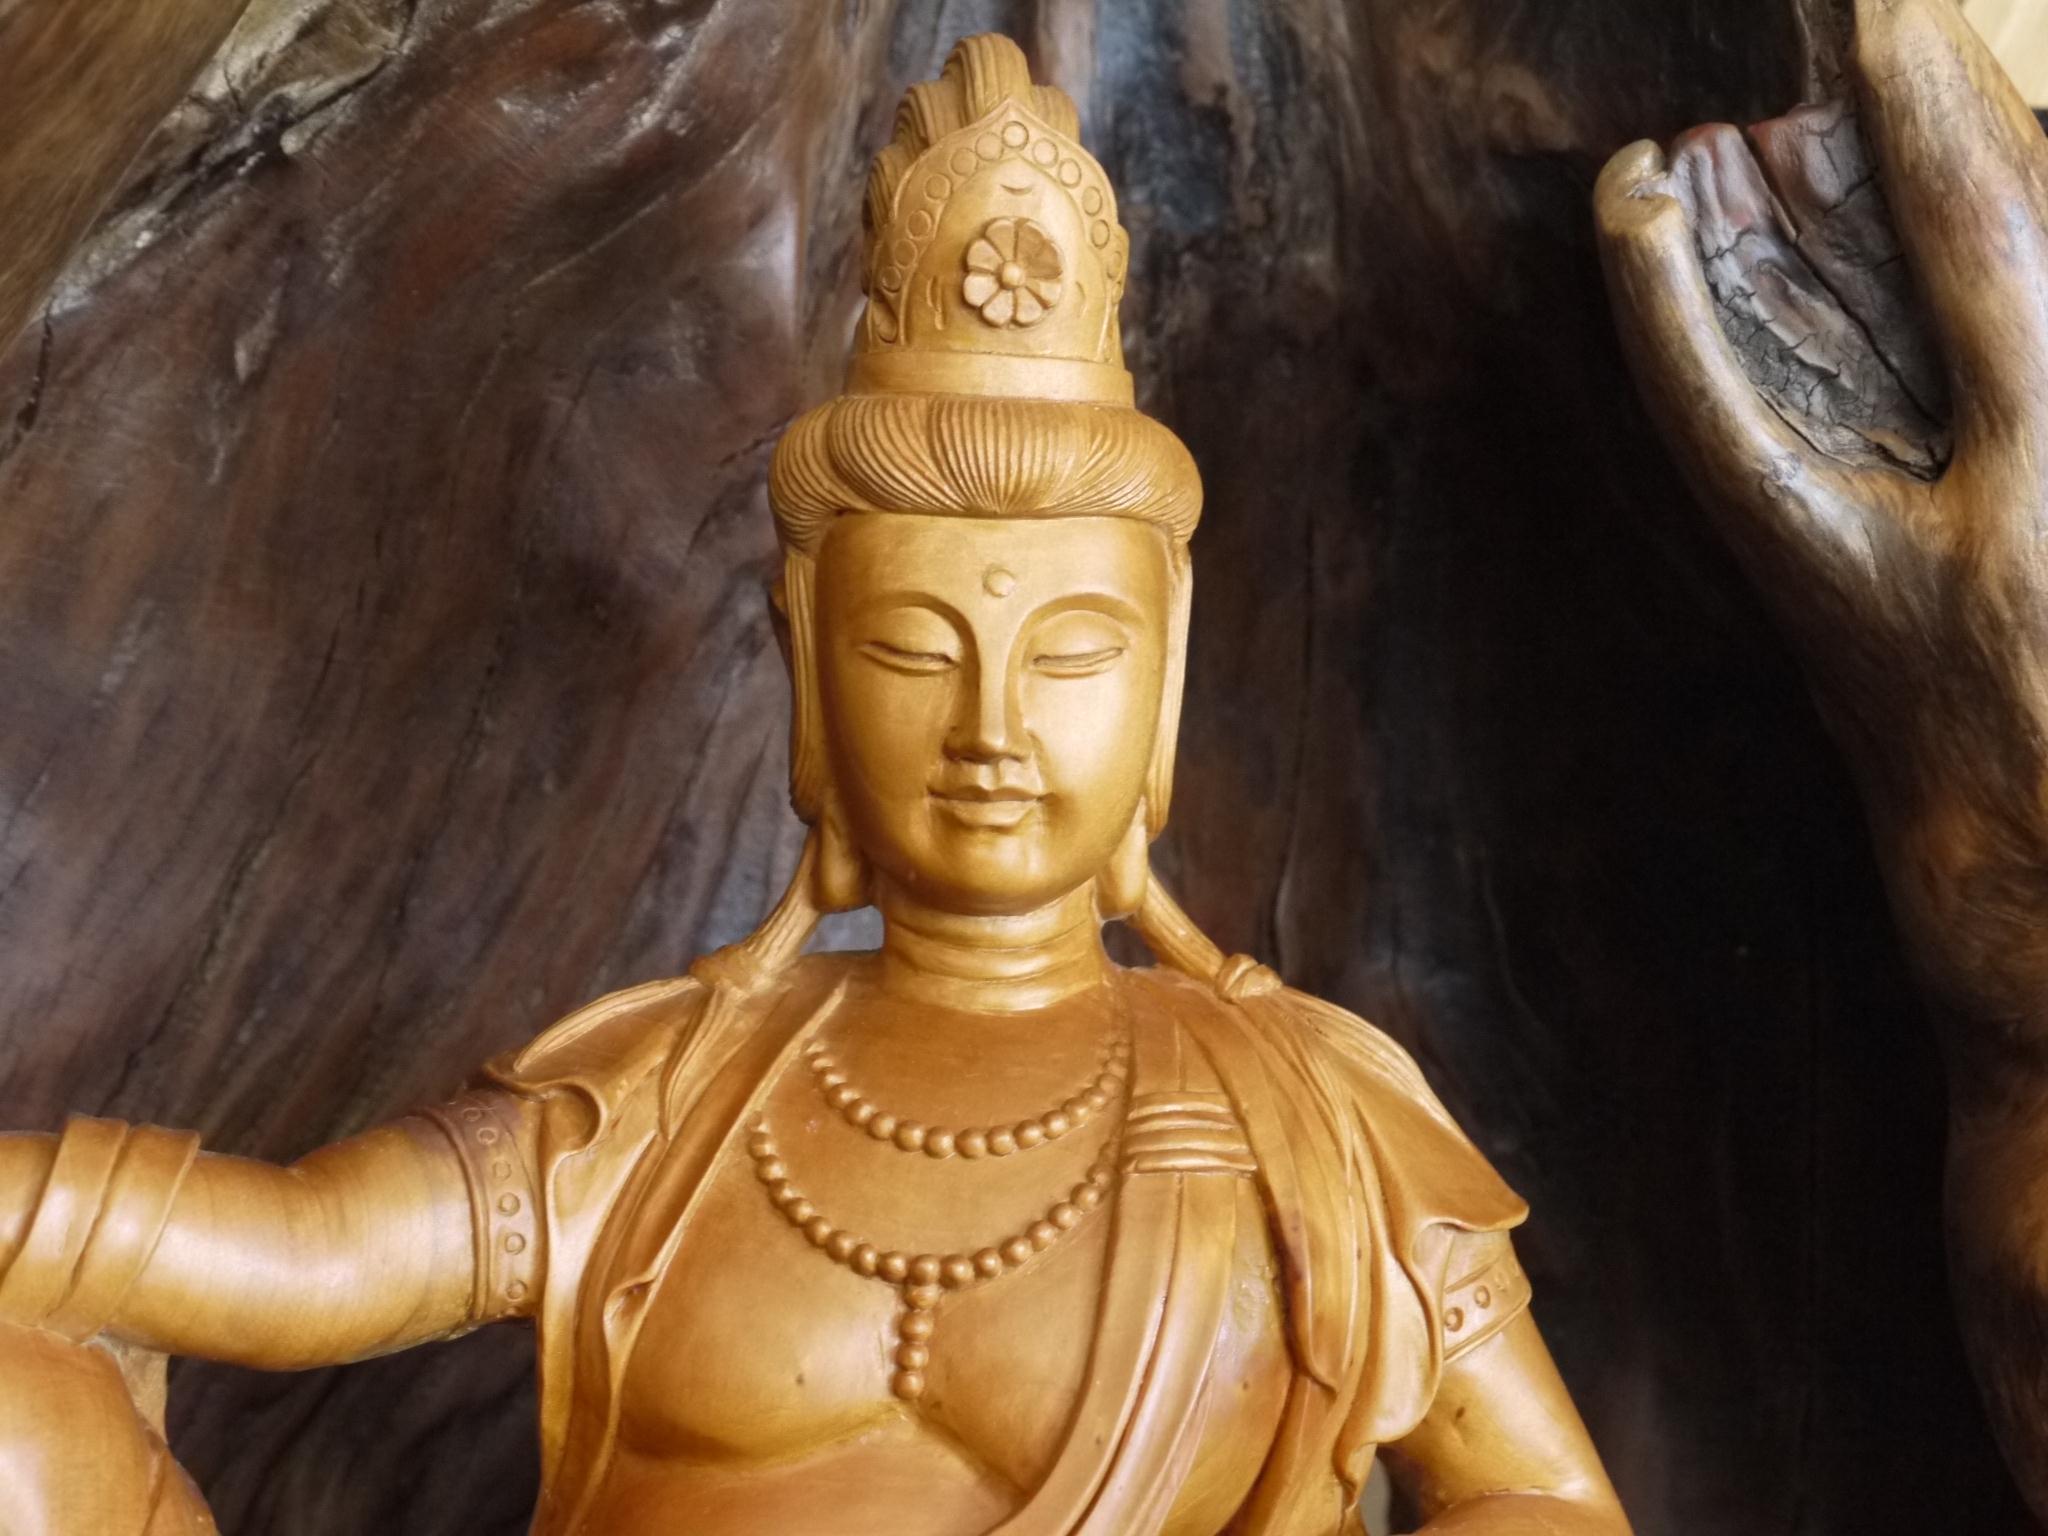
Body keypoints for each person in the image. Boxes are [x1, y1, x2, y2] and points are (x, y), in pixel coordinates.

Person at [0, 35, 1629, 1536]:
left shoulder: (1312, 1122)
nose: (991, 726)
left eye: (1071, 655)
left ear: (1165, 684)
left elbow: (1541, 1501)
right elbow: (301, 1255)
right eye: (915, 649)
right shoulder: (671, 1095)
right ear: (811, 681)